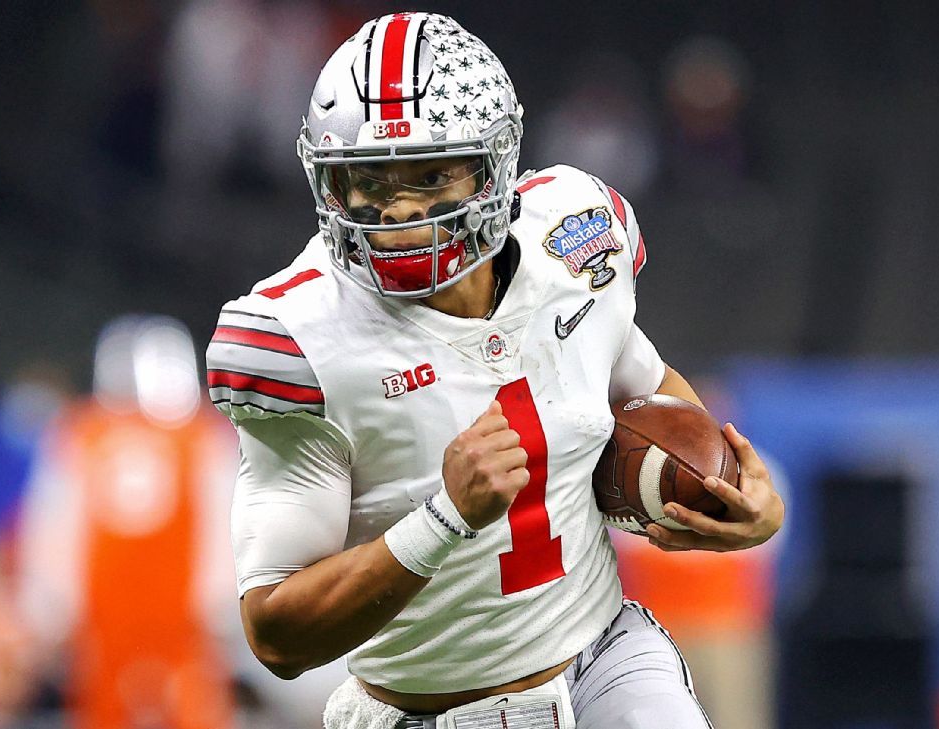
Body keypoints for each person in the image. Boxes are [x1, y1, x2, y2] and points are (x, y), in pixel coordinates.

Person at [205, 13, 784, 729]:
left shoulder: (574, 240)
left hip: (607, 662)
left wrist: (727, 494)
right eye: (370, 180)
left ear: (495, 165)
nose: (400, 209)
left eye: (430, 175)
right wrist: (444, 519)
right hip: (430, 713)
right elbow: (276, 633)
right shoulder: (299, 337)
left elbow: (649, 392)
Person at [17, 315, 238, 729]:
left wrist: (50, 600)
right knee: (170, 701)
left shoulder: (84, 430)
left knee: (143, 701)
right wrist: (227, 595)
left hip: (137, 603)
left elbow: (53, 522)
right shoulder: (202, 434)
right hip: (150, 603)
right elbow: (231, 520)